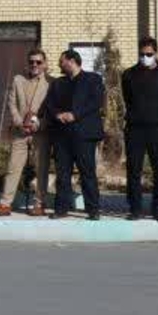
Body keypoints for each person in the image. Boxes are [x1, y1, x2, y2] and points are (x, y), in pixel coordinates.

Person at [121, 37, 158, 222]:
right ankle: (135, 208)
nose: (145, 57)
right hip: (135, 128)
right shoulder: (129, 74)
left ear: (156, 53)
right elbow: (127, 98)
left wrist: (157, 114)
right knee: (133, 169)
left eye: (149, 54)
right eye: (142, 54)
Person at [0, 49, 53, 217]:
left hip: (40, 133)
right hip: (20, 132)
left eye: (38, 62)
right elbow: (11, 103)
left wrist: (38, 124)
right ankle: (5, 204)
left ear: (45, 64)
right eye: (31, 62)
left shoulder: (51, 83)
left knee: (41, 169)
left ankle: (39, 203)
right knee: (13, 167)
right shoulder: (18, 80)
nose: (34, 65)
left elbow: (52, 109)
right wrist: (20, 123)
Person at [46, 49, 106, 220]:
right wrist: (58, 114)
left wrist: (75, 114)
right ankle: (61, 208)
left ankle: (93, 210)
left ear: (72, 61)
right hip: (62, 136)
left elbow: (96, 102)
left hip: (84, 135)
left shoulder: (93, 79)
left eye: (61, 61)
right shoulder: (58, 83)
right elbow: (49, 104)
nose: (59, 64)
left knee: (87, 173)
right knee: (62, 174)